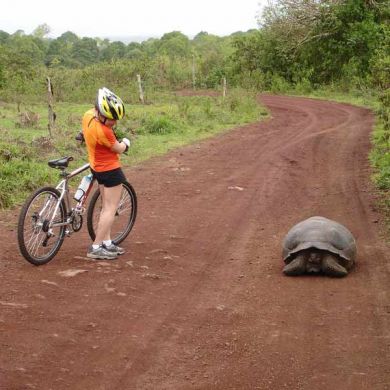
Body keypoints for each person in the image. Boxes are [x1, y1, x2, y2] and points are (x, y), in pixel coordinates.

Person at [82, 87, 131, 260]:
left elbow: (86, 132)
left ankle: (107, 243)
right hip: (110, 170)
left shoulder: (88, 115)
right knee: (111, 208)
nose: (114, 123)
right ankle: (95, 247)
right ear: (101, 113)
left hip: (96, 168)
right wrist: (126, 142)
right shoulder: (105, 131)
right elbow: (118, 148)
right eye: (111, 119)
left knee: (105, 207)